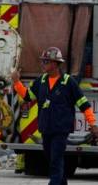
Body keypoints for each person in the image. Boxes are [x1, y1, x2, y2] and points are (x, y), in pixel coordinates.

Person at [11, 47, 98, 185]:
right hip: (46, 129)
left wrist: (93, 124)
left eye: (46, 61)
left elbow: (84, 104)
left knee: (55, 161)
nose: (43, 64)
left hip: (60, 130)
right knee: (53, 160)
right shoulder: (41, 81)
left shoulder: (68, 82)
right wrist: (16, 82)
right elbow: (28, 96)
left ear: (56, 64)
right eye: (43, 61)